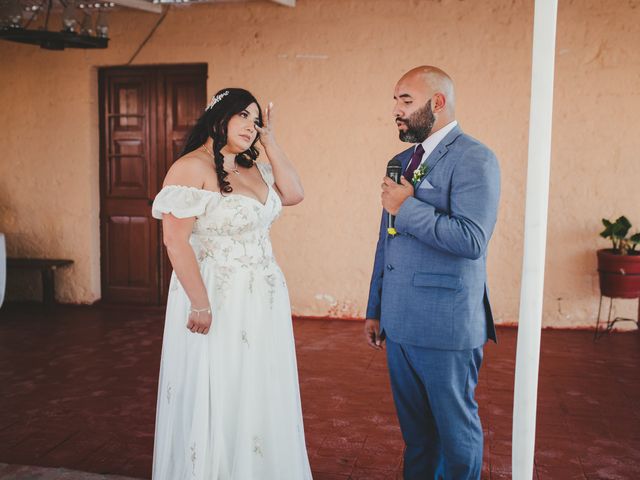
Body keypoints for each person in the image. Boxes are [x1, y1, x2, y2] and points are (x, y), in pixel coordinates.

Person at [151, 88, 312, 479]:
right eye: (241, 115)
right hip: (217, 295)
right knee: (221, 385)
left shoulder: (252, 165)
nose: (250, 125)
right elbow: (174, 240)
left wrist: (271, 142)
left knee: (258, 386)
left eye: (256, 120)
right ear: (217, 117)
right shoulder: (191, 167)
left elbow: (294, 193)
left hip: (262, 298)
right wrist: (200, 303)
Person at [364, 66, 501, 479]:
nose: (396, 110)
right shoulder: (399, 161)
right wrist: (376, 307)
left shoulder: (475, 158)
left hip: (446, 324)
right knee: (418, 438)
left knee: (456, 437)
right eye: (395, 100)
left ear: (437, 103)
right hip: (400, 323)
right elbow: (386, 239)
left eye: (406, 101)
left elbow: (472, 240)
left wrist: (408, 207)